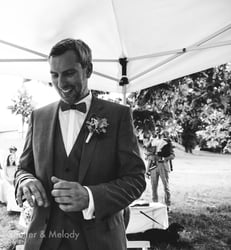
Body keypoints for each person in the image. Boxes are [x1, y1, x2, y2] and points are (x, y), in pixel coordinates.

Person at [14, 38, 146, 250]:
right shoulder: (38, 117)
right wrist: (25, 180)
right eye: (54, 75)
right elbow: (23, 168)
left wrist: (90, 197)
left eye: (69, 73)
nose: (61, 83)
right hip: (45, 239)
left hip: (100, 241)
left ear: (88, 69)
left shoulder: (118, 115)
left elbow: (136, 179)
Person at [147, 131, 175, 208]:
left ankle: (167, 205)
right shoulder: (152, 141)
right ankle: (155, 205)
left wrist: (164, 158)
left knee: (166, 186)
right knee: (153, 187)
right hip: (153, 166)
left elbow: (172, 155)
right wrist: (147, 170)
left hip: (163, 165)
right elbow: (148, 154)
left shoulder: (167, 142)